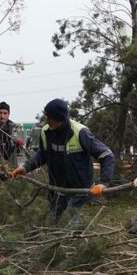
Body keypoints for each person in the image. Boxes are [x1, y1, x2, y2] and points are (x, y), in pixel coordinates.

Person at [11, 98, 115, 228]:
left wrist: (103, 182)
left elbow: (107, 155)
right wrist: (26, 167)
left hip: (79, 188)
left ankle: (74, 237)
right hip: (58, 187)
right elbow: (42, 155)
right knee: (53, 222)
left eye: (50, 117)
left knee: (69, 223)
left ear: (60, 119)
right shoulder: (46, 131)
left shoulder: (80, 132)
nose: (47, 120)